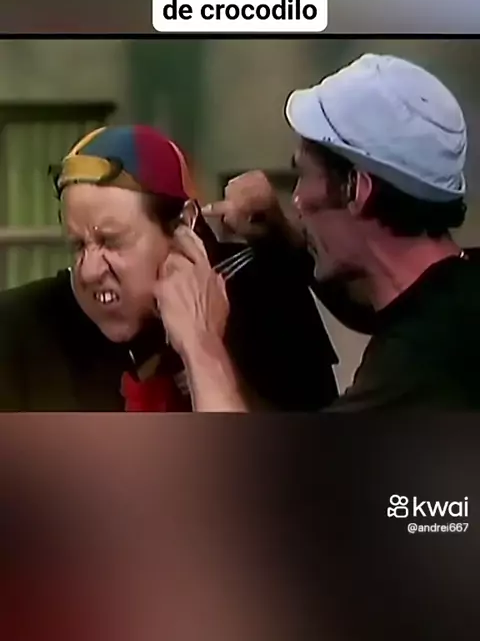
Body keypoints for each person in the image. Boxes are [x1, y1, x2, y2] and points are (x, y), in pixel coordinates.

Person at [157, 53, 480, 411]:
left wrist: (200, 344)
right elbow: (379, 310)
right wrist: (282, 238)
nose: (295, 199)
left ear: (356, 189)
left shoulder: (417, 368)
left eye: (305, 175)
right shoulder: (456, 293)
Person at [0, 124, 343, 412]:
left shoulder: (266, 301)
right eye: (77, 245)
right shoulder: (19, 329)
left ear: (184, 224)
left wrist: (202, 352)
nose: (89, 272)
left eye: (112, 241)